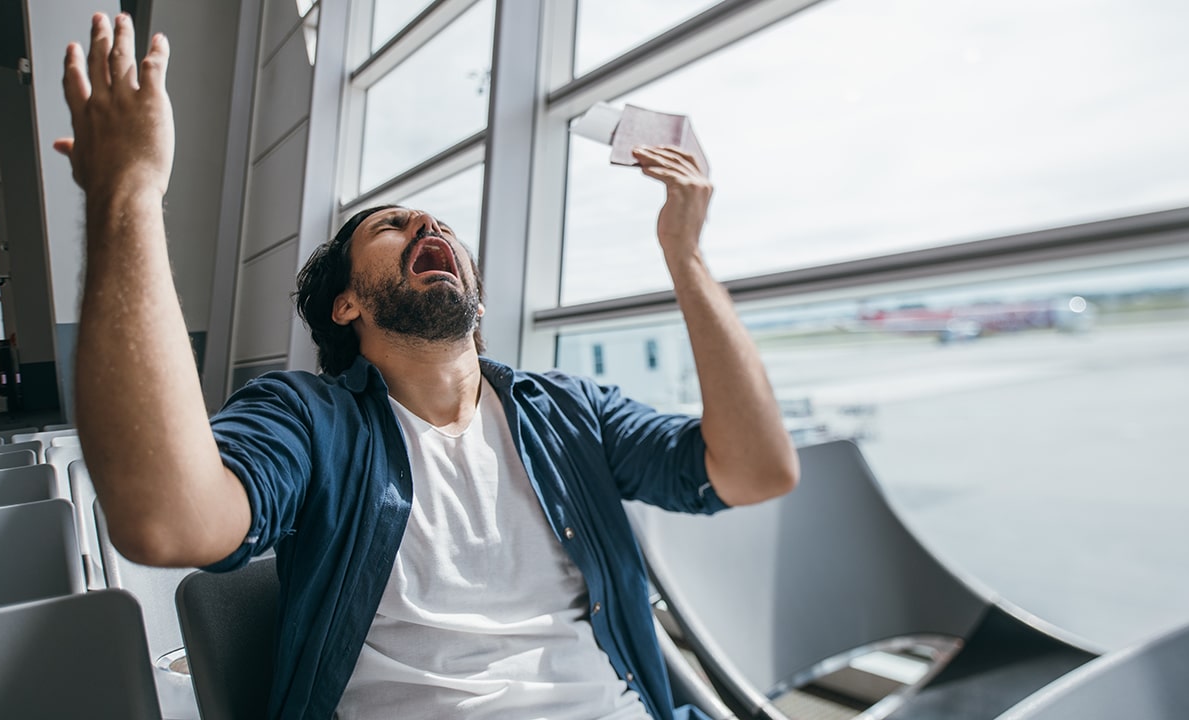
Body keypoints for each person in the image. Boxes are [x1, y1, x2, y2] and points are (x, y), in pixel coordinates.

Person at [56, 12, 799, 720]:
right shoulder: (310, 421)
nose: (428, 223)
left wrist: (686, 255)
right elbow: (165, 520)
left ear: (475, 304)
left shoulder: (570, 411)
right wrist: (129, 193)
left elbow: (757, 470)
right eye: (391, 225)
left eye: (437, 223)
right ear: (346, 305)